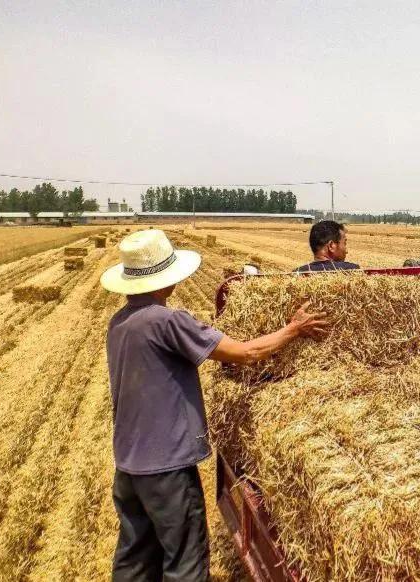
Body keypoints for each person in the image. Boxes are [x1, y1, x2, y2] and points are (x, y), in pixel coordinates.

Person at [100, 229, 329, 582]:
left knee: (134, 561)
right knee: (185, 563)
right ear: (166, 279)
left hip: (128, 468)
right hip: (167, 469)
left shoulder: (119, 324)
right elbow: (246, 353)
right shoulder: (168, 321)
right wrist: (293, 329)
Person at [295, 219, 360, 272]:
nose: (347, 251)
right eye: (344, 243)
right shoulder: (352, 271)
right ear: (331, 246)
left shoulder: (296, 274)